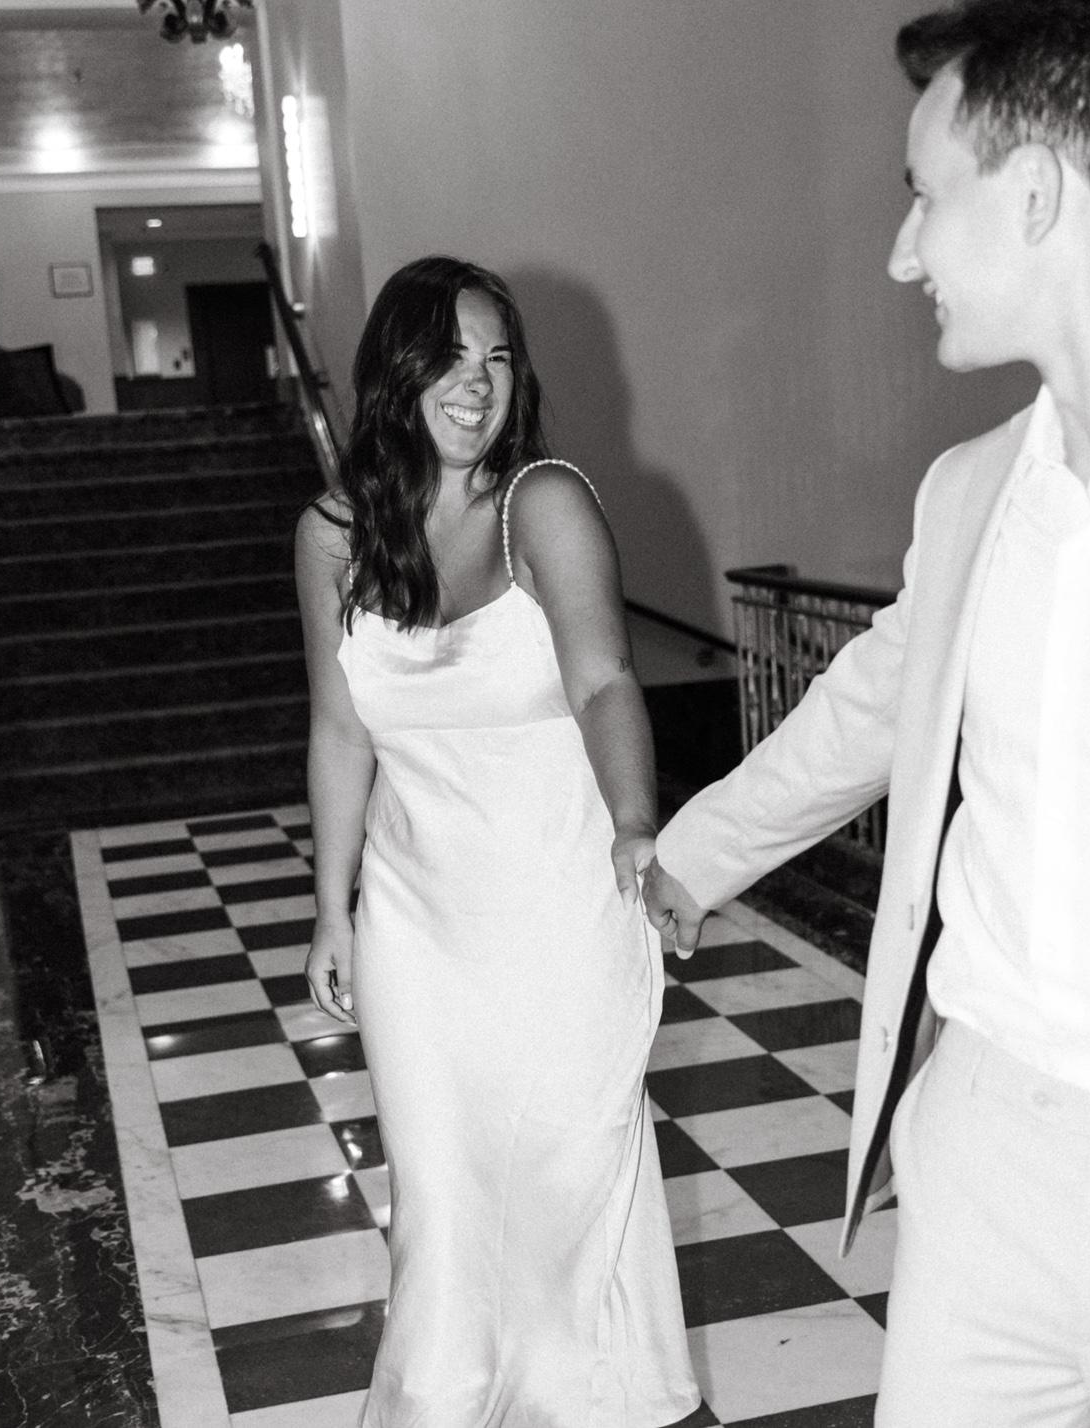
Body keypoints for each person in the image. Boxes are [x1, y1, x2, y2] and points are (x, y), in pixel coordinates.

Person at [643, 2, 1090, 1423]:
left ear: (1036, 192)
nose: (901, 250)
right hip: (981, 1159)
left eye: (925, 196)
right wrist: (685, 860)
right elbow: (868, 710)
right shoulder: (973, 490)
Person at [295, 255, 699, 1426]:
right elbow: (339, 729)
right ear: (396, 371)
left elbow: (606, 680)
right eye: (451, 357)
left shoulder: (544, 504)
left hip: (560, 913)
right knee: (443, 1203)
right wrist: (331, 910)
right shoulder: (332, 535)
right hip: (418, 929)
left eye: (499, 358)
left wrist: (635, 824)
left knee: (564, 1182)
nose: (478, 383)